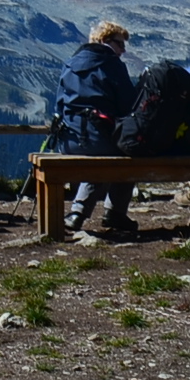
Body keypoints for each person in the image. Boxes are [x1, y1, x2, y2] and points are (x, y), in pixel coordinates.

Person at [52, 21, 136, 234]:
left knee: (100, 152)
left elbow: (59, 105)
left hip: (68, 141)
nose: (123, 51)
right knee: (129, 152)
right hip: (99, 139)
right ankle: (114, 213)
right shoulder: (112, 65)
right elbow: (127, 105)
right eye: (120, 44)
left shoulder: (70, 62)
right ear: (105, 41)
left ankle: (78, 213)